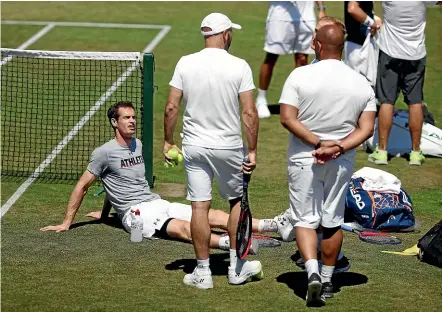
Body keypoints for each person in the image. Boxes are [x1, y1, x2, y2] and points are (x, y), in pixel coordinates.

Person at [40, 101, 283, 252]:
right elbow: (83, 186)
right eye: (127, 117)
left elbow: (117, 183)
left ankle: (272, 225)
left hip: (157, 202)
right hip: (137, 215)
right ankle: (236, 244)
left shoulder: (137, 144)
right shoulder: (103, 153)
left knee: (210, 215)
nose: (133, 121)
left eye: (134, 117)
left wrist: (105, 215)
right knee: (186, 230)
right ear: (114, 122)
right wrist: (66, 222)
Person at [279, 21, 376, 306]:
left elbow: (287, 117)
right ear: (342, 46)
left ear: (317, 45)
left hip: (303, 158)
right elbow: (366, 128)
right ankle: (329, 278)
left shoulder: (299, 75)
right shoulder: (360, 82)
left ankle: (311, 272)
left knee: (305, 220)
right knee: (332, 221)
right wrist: (338, 146)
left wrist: (317, 143)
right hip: (341, 161)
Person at [163, 13, 261, 289]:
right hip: (229, 147)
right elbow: (250, 113)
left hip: (194, 146)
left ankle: (203, 272)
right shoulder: (239, 65)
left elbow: (171, 107)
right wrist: (252, 150)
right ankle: (236, 268)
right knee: (236, 203)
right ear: (225, 34)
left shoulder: (185, 62)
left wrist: (168, 141)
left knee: (199, 206)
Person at [368, 1, 438, 166]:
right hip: (415, 54)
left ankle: (382, 151)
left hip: (389, 53)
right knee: (415, 102)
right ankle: (415, 152)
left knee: (387, 101)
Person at [256, 1, 326, 118]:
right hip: (280, 16)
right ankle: (261, 99)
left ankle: (299, 100)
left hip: (306, 16)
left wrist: (321, 8)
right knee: (272, 56)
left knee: (302, 58)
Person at [344, 1, 382, 87]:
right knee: (365, 89)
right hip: (360, 46)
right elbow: (352, 9)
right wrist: (372, 23)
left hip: (357, 44)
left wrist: (373, 19)